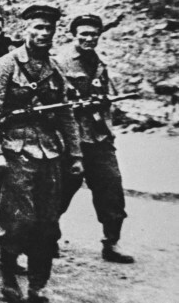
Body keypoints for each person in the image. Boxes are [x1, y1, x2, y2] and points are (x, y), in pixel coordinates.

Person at [0, 4, 83, 303]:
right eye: (38, 27)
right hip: (15, 151)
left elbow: (66, 114)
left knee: (48, 223)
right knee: (18, 220)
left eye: (49, 29)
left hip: (50, 153)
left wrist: (75, 155)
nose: (43, 33)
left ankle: (38, 284)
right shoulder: (6, 64)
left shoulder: (55, 68)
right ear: (26, 30)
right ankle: (7, 275)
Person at [57, 14, 134, 264]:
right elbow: (54, 103)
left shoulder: (99, 63)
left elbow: (106, 99)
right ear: (74, 35)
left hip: (100, 139)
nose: (89, 38)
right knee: (60, 193)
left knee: (111, 190)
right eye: (84, 34)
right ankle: (48, 237)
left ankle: (111, 243)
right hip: (72, 140)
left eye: (94, 34)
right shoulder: (61, 62)